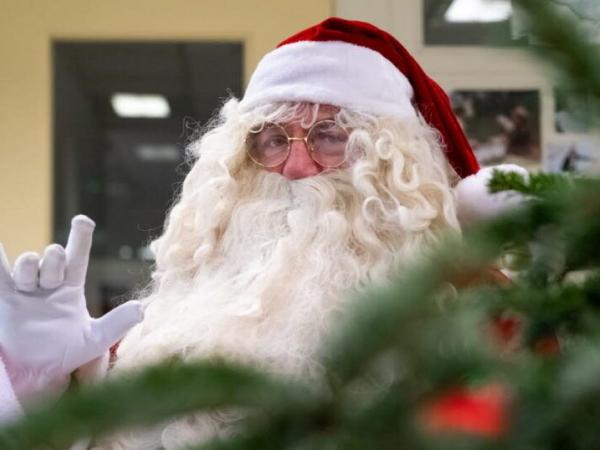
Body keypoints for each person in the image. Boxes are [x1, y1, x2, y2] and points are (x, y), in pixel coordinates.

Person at [0, 18, 526, 449]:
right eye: (273, 139)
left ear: (396, 163)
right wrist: (43, 387)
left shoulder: (482, 309)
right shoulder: (185, 307)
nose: (296, 165)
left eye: (330, 136)